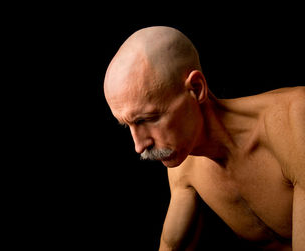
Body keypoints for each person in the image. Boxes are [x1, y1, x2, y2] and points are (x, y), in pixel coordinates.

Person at [103, 26, 305, 251]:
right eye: (127, 125)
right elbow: (170, 246)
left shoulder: (294, 121)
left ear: (197, 89)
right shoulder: (184, 167)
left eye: (148, 119)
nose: (139, 146)